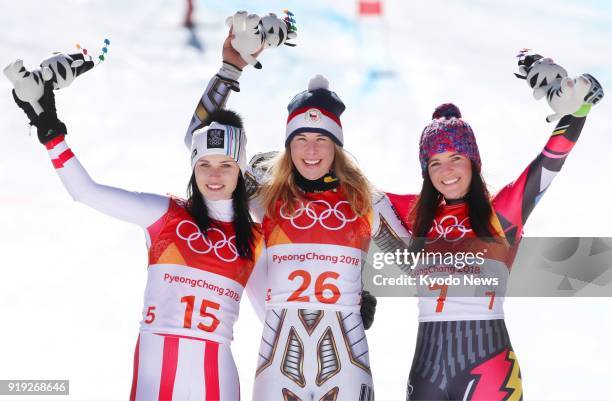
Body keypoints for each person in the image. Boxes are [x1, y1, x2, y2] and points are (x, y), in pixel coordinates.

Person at [5, 56, 267, 401]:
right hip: (155, 365)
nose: (214, 175)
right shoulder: (166, 215)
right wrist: (52, 133)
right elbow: (86, 192)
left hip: (216, 371)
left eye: (225, 165)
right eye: (204, 164)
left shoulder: (255, 238)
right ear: (193, 169)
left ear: (240, 169)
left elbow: (273, 317)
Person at [183, 33, 411, 401]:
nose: (310, 150)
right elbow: (200, 140)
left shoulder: (367, 201)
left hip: (347, 365)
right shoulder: (267, 194)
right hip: (278, 365)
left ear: (337, 145)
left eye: (321, 139)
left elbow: (421, 266)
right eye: (300, 138)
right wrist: (229, 71)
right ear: (288, 145)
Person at [386, 63, 603, 400]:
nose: (447, 171)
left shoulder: (499, 213)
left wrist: (579, 105)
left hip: (489, 366)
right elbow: (343, 188)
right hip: (427, 372)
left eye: (456, 157)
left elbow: (551, 160)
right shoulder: (417, 215)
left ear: (473, 161)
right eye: (435, 162)